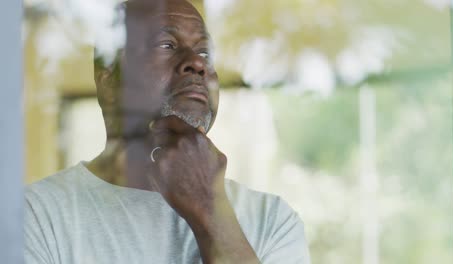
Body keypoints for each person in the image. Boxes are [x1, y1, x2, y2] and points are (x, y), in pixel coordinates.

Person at [24, 0, 311, 263]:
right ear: (109, 83)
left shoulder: (271, 220)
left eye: (204, 52)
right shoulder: (33, 215)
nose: (197, 63)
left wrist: (210, 211)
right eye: (166, 45)